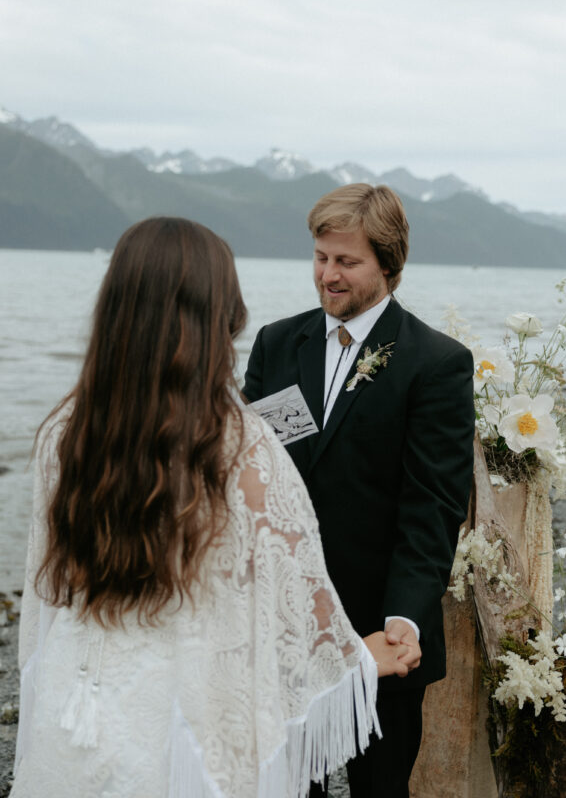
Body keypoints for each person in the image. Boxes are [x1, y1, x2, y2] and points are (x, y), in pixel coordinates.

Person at [11, 216, 408, 798]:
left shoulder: (64, 433)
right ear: (217, 316)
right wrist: (359, 660)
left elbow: (52, 593)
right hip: (180, 727)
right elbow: (288, 599)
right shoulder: (242, 448)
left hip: (74, 708)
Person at [243, 184, 475, 797]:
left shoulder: (436, 363)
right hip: (288, 627)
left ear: (389, 266)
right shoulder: (275, 344)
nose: (328, 275)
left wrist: (405, 617)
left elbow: (433, 504)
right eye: (321, 257)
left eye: (347, 262)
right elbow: (256, 479)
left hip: (382, 626)